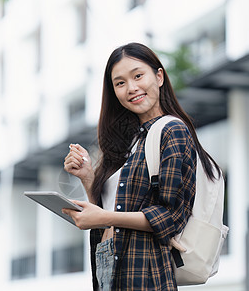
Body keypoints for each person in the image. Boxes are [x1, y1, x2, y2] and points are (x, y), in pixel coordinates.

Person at [63, 42, 221, 291]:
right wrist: (88, 177)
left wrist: (104, 216)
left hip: (146, 271)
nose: (131, 88)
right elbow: (115, 210)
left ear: (158, 76)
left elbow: (171, 217)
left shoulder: (172, 130)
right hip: (110, 262)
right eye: (120, 83)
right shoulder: (133, 141)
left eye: (138, 76)